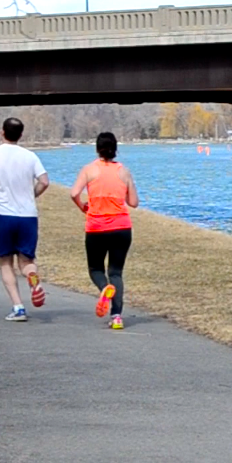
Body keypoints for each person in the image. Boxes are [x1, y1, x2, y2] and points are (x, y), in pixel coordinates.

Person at [0, 117, 49, 322]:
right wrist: (31, 195)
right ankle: (34, 280)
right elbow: (44, 181)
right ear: (21, 134)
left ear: (2, 132)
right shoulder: (30, 156)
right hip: (27, 216)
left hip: (3, 214)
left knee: (5, 262)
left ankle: (18, 307)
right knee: (26, 260)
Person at [70, 132, 138, 330]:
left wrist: (82, 205)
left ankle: (103, 289)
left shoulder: (89, 170)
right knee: (116, 273)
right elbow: (133, 202)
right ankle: (116, 316)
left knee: (96, 269)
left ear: (97, 148)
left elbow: (74, 192)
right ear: (115, 149)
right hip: (122, 227)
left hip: (97, 226)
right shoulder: (124, 172)